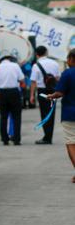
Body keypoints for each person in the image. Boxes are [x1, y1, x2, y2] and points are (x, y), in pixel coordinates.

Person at [47, 49, 75, 182]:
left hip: (70, 113)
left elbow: (59, 93)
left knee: (71, 142)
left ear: (71, 59)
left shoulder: (68, 73)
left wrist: (51, 96)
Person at [30, 46, 61, 144]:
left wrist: (31, 96)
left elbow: (33, 82)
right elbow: (57, 78)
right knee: (51, 113)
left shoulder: (36, 65)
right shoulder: (55, 63)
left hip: (42, 92)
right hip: (53, 91)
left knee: (44, 113)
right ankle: (49, 136)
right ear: (46, 52)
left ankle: (46, 137)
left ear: (37, 54)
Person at [0, 55, 25, 146]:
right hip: (14, 92)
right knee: (16, 117)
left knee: (3, 116)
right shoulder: (15, 66)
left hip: (2, 93)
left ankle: (4, 139)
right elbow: (21, 79)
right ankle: (16, 139)